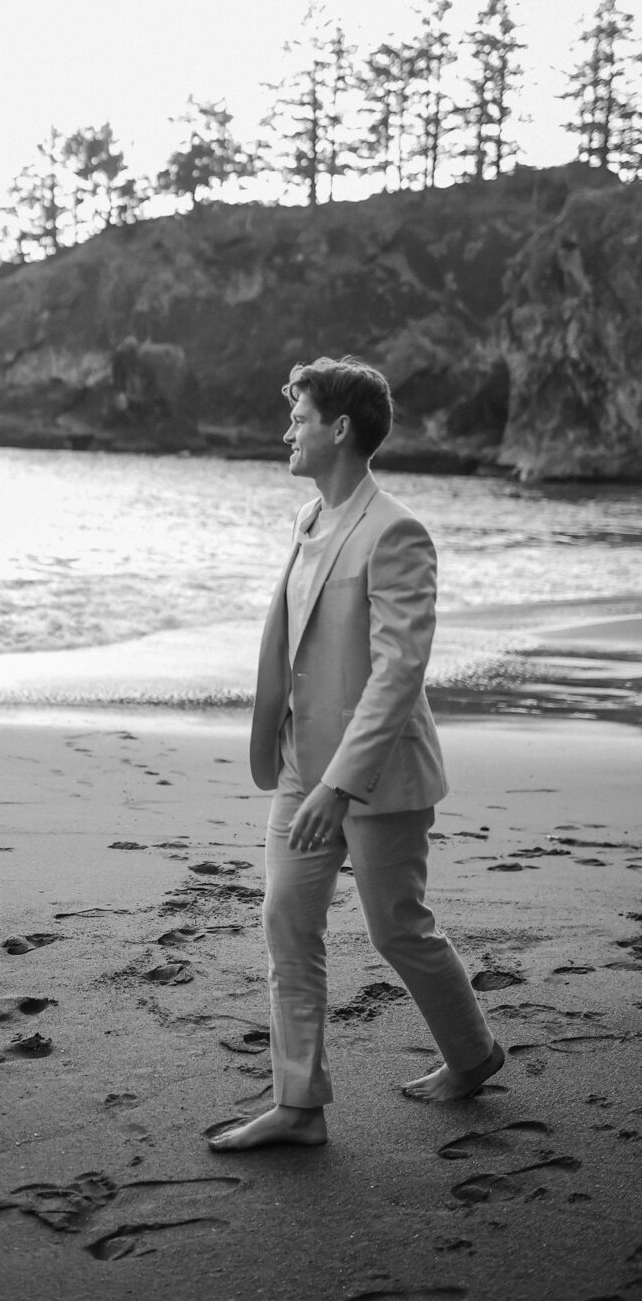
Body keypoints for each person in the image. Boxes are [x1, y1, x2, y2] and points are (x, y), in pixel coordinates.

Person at [209, 356, 503, 1152]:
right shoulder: (308, 520)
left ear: (339, 429)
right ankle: (299, 1105)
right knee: (285, 921)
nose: (287, 432)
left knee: (397, 928)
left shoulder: (396, 531)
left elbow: (399, 672)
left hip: (377, 774)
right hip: (301, 759)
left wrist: (341, 785)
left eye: (299, 417)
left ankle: (472, 1056)